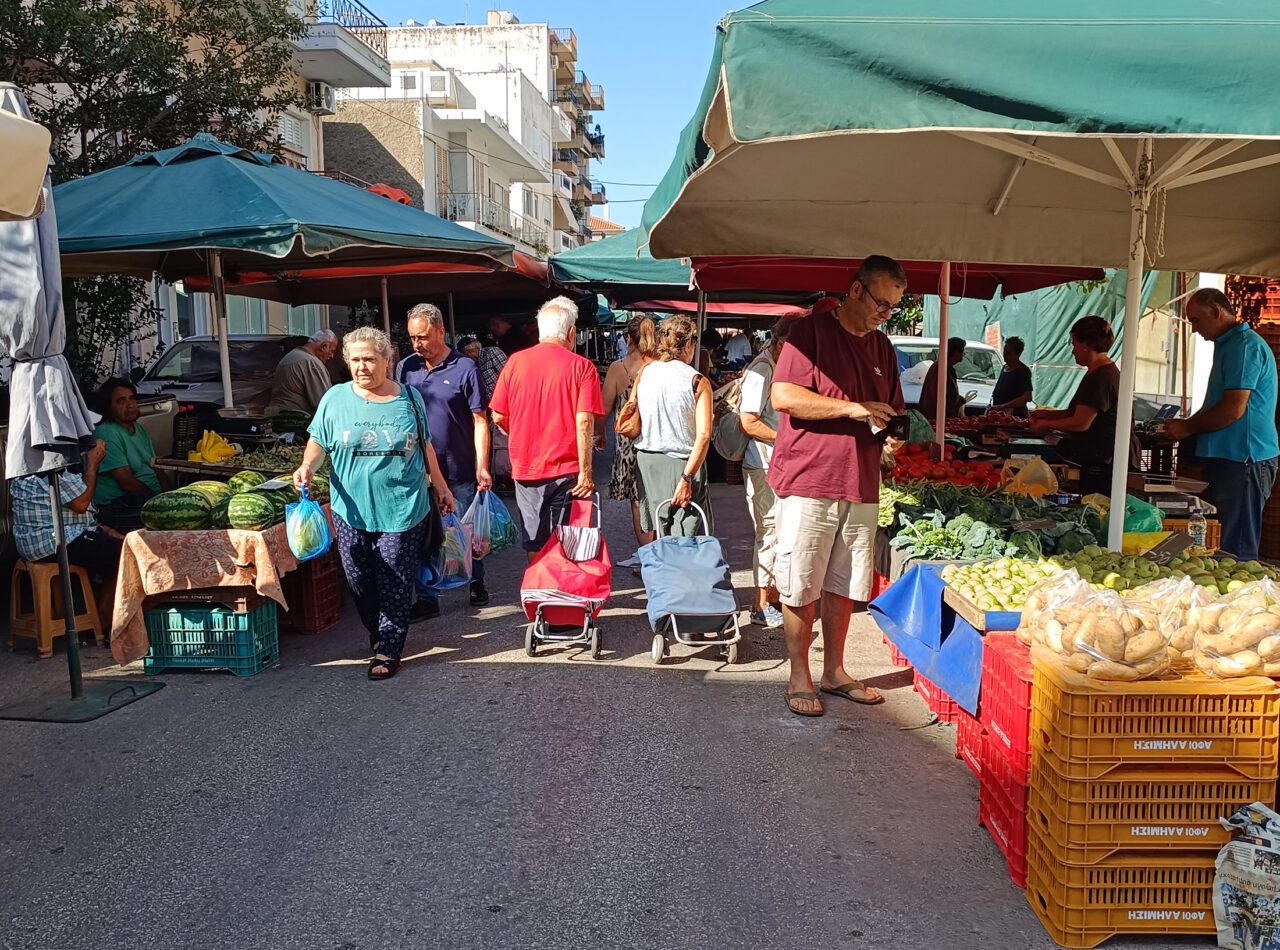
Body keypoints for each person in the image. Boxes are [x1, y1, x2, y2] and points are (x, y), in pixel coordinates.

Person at [769, 255, 908, 717]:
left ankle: (835, 671)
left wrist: (890, 435)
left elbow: (888, 408)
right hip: (809, 479)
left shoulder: (883, 347)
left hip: (861, 481)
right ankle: (798, 675)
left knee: (843, 583)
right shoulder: (810, 334)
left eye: (892, 308)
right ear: (855, 290)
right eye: (881, 304)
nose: (884, 314)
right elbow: (784, 396)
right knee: (801, 580)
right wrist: (852, 408)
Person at [293, 326, 455, 681]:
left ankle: (389, 647)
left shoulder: (409, 398)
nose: (362, 366)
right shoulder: (335, 399)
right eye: (355, 360)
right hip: (351, 509)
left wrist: (441, 486)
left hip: (403, 505)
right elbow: (318, 441)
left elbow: (425, 445)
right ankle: (377, 631)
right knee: (358, 578)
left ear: (387, 360)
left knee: (394, 577)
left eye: (369, 359)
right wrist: (307, 466)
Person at [1163, 289, 1279, 560]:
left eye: (1196, 320)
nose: (1194, 329)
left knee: (1234, 550)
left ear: (1216, 311)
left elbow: (1233, 408)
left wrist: (1188, 428)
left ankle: (1239, 599)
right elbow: (1217, 404)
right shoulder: (1228, 344)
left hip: (1244, 458)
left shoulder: (1244, 346)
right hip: (1228, 456)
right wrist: (1188, 424)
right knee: (1219, 543)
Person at [489, 297, 604, 562]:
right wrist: (586, 472)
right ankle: (568, 594)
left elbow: (497, 415)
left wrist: (519, 433)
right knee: (573, 537)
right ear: (571, 332)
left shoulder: (515, 362)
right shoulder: (582, 366)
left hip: (527, 466)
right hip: (568, 470)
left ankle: (541, 596)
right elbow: (585, 420)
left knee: (535, 541)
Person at [399, 303, 492, 615]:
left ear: (441, 331)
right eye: (412, 338)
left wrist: (482, 465)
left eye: (423, 336)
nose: (417, 344)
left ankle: (475, 581)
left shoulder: (465, 368)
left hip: (458, 467)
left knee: (463, 532)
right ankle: (426, 598)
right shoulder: (407, 368)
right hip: (418, 470)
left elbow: (481, 420)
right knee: (422, 535)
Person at [11, 439, 124, 628]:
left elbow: (69, 514)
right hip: (49, 540)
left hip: (36, 540)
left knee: (109, 540)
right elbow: (81, 504)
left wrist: (102, 529)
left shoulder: (31, 456)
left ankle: (97, 617)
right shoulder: (55, 460)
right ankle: (106, 621)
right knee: (123, 553)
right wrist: (92, 464)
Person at [633, 315, 715, 539]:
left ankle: (661, 573)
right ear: (688, 344)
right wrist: (687, 478)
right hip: (683, 463)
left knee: (660, 532)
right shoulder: (697, 381)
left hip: (648, 462)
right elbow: (704, 435)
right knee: (689, 536)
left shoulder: (644, 373)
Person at [738, 317, 797, 629]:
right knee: (769, 533)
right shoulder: (763, 370)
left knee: (777, 533)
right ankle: (760, 605)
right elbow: (748, 422)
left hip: (775, 463)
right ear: (780, 343)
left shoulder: (775, 367)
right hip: (763, 464)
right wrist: (788, 438)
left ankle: (770, 598)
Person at [1029, 315, 1124, 496]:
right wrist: (1049, 415)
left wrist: (1046, 425)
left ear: (1086, 344)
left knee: (1095, 505)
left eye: (1074, 344)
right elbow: (1078, 412)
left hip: (1103, 459)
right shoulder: (1101, 372)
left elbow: (1081, 422)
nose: (1073, 351)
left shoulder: (1101, 377)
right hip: (1099, 456)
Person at [597, 314, 657, 567]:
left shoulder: (617, 369)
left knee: (637, 502)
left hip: (628, 445)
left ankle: (648, 555)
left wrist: (599, 435)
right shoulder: (660, 365)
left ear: (628, 338)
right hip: (656, 440)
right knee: (659, 498)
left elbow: (603, 408)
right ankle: (663, 553)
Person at [92, 377, 162, 530]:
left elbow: (155, 467)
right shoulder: (107, 432)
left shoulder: (138, 428)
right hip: (117, 504)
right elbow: (127, 483)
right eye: (121, 401)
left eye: (132, 398)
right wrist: (160, 502)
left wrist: (172, 493)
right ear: (109, 407)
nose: (130, 405)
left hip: (145, 498)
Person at [270, 329, 337, 414]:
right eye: (332, 351)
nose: (332, 356)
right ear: (324, 346)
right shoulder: (311, 363)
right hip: (295, 421)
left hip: (277, 416)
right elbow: (323, 403)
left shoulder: (291, 355)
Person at [918, 336, 966, 428]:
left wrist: (958, 399)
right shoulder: (941, 368)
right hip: (937, 420)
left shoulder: (944, 367)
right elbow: (940, 396)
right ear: (955, 351)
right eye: (962, 351)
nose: (963, 354)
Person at [991, 336, 1034, 417]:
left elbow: (1027, 397)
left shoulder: (1023, 371)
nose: (1005, 355)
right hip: (1000, 414)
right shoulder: (1004, 367)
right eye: (1004, 352)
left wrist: (1003, 406)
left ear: (1018, 354)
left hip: (1015, 417)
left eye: (1009, 353)